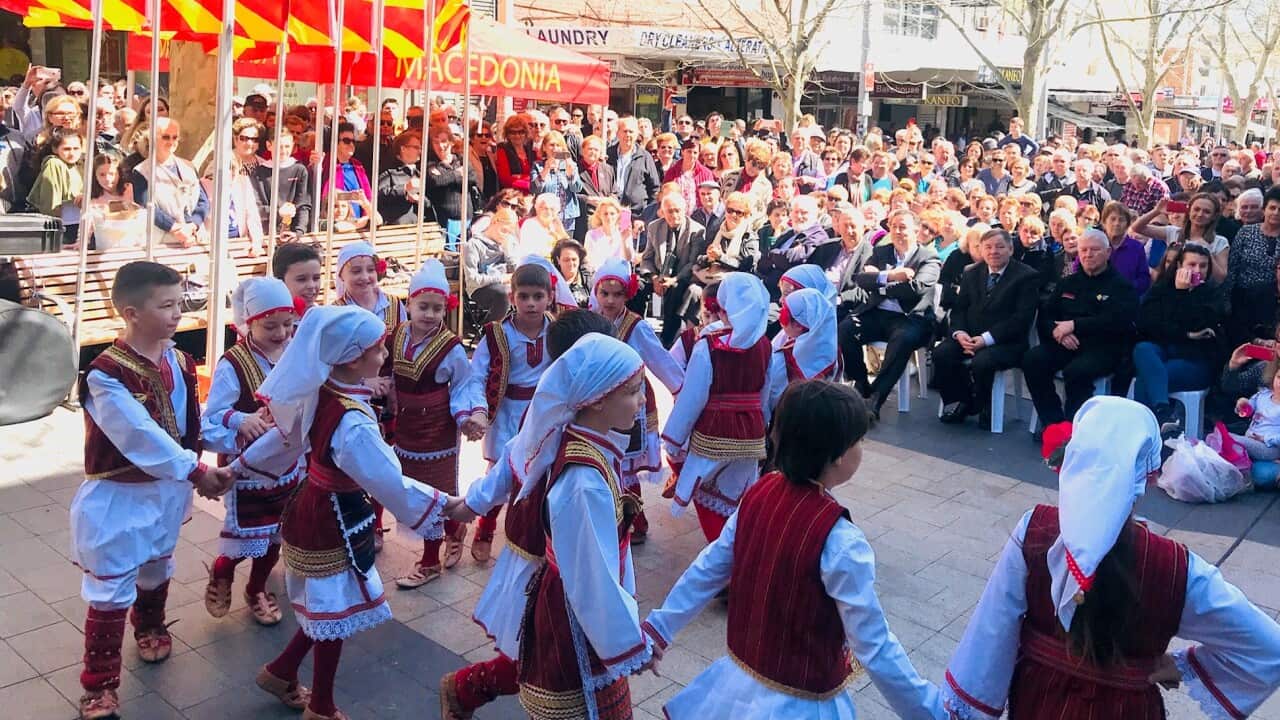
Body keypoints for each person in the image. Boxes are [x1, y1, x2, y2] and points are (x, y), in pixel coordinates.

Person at [943, 396, 1280, 720]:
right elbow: (1270, 648)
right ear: (1148, 477)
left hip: (1039, 701)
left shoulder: (1034, 529)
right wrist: (1178, 665)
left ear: (1071, 462)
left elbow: (989, 638)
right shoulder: (1179, 568)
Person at [645, 380, 945, 720]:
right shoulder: (840, 540)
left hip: (738, 691)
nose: (862, 448)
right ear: (838, 455)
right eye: (859, 440)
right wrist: (932, 712)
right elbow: (874, 644)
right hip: (802, 707)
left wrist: (660, 628)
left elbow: (710, 567)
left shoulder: (759, 493)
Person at [228, 306, 460, 720]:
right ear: (354, 358)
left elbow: (285, 440)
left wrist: (237, 469)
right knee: (333, 607)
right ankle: (321, 705)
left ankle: (282, 671)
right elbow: (388, 479)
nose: (385, 355)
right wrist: (446, 504)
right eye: (377, 350)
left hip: (316, 505)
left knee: (327, 605)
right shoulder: (352, 422)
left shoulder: (324, 391)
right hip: (330, 517)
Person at [71, 261, 233, 720]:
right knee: (110, 585)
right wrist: (196, 471)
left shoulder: (180, 360)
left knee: (157, 562)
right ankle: (99, 684)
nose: (178, 313)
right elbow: (139, 435)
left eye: (179, 302)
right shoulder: (104, 375)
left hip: (167, 493)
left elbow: (186, 428)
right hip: (120, 497)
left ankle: (150, 622)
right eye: (166, 305)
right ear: (131, 312)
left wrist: (235, 433)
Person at [438, 309, 618, 720]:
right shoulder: (551, 412)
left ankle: (466, 690)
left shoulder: (599, 413)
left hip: (571, 558)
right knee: (542, 649)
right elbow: (510, 462)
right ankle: (465, 688)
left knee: (552, 651)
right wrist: (472, 505)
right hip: (541, 557)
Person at [501, 334, 657, 719]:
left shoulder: (589, 447)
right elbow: (592, 578)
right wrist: (627, 644)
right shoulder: (584, 480)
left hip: (581, 609)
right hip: (575, 617)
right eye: (633, 392)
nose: (642, 403)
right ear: (598, 398)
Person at [200, 277, 301, 626]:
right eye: (270, 325)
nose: (281, 333)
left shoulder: (292, 352)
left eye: (288, 324)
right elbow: (210, 416)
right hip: (247, 470)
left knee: (275, 534)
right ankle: (223, 570)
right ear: (248, 323)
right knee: (246, 533)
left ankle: (256, 588)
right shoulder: (234, 363)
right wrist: (241, 420)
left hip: (287, 465)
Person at [662, 272, 780, 543]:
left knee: (701, 486)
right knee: (735, 490)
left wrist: (675, 437)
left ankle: (724, 550)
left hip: (714, 431)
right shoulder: (764, 345)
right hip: (750, 434)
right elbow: (765, 392)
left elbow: (693, 396)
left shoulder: (709, 345)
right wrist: (760, 424)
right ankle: (739, 541)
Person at [389, 261, 481, 589]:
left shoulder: (451, 347)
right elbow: (387, 371)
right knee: (411, 487)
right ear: (409, 304)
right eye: (422, 306)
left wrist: (465, 418)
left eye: (437, 308)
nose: (429, 314)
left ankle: (429, 562)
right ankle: (454, 528)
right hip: (406, 428)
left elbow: (462, 387)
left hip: (438, 431)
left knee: (434, 491)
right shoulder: (398, 334)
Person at [463, 261, 555, 561]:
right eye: (524, 296)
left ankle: (535, 532)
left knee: (542, 472)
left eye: (538, 296)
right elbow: (476, 376)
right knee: (500, 473)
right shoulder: (496, 334)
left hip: (544, 414)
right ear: (512, 296)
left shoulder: (558, 331)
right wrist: (478, 411)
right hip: (506, 414)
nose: (531, 303)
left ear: (550, 297)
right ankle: (486, 528)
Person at [590, 259, 685, 542]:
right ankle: (611, 517)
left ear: (627, 295)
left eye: (617, 294)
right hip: (598, 404)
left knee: (626, 465)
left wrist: (681, 391)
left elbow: (660, 360)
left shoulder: (636, 327)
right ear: (595, 292)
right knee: (603, 460)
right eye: (604, 293)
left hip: (631, 405)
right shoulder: (589, 321)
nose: (609, 300)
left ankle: (635, 521)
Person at [1021, 229, 1139, 432]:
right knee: (1033, 359)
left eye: (1094, 250)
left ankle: (1074, 428)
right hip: (1065, 342)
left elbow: (1116, 321)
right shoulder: (1067, 283)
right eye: (1083, 250)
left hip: (1102, 348)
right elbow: (1046, 316)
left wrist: (1075, 325)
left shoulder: (1121, 286)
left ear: (1108, 252)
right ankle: (1053, 423)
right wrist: (1059, 334)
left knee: (1077, 372)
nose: (1088, 254)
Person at [838, 209, 941, 422]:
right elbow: (863, 279)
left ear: (915, 230)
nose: (897, 232)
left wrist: (881, 284)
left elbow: (916, 288)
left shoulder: (928, 257)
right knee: (846, 328)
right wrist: (892, 276)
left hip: (911, 317)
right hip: (877, 312)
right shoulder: (882, 251)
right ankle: (861, 385)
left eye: (903, 227)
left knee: (903, 338)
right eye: (893, 227)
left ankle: (876, 397)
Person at [934, 229, 1040, 428]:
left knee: (982, 361)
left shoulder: (1027, 276)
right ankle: (966, 401)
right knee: (942, 354)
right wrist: (960, 333)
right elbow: (959, 309)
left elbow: (1021, 319)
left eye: (1000, 247)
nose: (994, 252)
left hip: (1006, 342)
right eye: (988, 247)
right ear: (981, 250)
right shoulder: (971, 272)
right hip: (969, 337)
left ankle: (981, 405)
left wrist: (986, 339)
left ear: (1010, 249)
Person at [1131, 244, 1226, 431]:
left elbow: (1200, 323)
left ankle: (1145, 426)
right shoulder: (1163, 288)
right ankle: (1161, 411)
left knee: (1150, 375)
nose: (1197, 270)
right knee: (1142, 349)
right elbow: (1147, 324)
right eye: (1192, 265)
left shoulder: (1212, 294)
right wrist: (1186, 334)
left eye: (1203, 266)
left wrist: (1183, 295)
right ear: (1179, 265)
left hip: (1195, 361)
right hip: (1162, 351)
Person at [641, 192, 708, 346]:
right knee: (637, 287)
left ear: (684, 210)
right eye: (669, 211)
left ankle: (667, 337)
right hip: (658, 274)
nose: (674, 215)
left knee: (677, 289)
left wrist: (673, 280)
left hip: (681, 276)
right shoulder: (654, 227)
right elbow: (647, 258)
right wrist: (653, 278)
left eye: (677, 210)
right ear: (662, 212)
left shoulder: (696, 230)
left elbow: (692, 263)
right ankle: (636, 330)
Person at [131, 117, 209, 247]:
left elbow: (203, 201)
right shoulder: (141, 172)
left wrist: (193, 225)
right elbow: (148, 207)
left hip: (195, 236)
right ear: (152, 138)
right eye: (166, 137)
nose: (171, 141)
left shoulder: (188, 166)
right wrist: (176, 229)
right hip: (163, 241)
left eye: (175, 137)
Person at [767, 289, 840, 411]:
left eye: (783, 315)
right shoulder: (833, 351)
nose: (780, 319)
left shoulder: (783, 361)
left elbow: (770, 401)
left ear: (798, 325)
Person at [1132, 194, 1230, 283]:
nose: (1200, 214)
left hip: (1202, 294)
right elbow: (1137, 228)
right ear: (1189, 211)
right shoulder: (1174, 232)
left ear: (1214, 216)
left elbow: (1220, 277)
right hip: (1171, 289)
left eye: (1207, 212)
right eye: (1196, 209)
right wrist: (1156, 211)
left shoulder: (1220, 242)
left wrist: (1207, 251)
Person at [757, 194, 831, 299]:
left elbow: (792, 258)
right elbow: (763, 262)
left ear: (815, 215)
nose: (799, 216)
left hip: (790, 294)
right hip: (767, 285)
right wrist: (776, 256)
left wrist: (774, 255)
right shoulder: (789, 233)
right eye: (796, 212)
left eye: (804, 213)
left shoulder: (818, 236)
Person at [26, 125, 83, 246]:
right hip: (62, 226)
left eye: (76, 148)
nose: (72, 153)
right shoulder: (53, 164)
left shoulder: (79, 165)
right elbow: (50, 200)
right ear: (55, 149)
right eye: (67, 149)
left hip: (80, 223)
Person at [465, 205, 517, 323]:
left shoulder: (509, 242)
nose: (505, 235)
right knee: (504, 293)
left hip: (506, 285)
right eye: (503, 230)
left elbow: (516, 271)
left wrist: (508, 252)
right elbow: (472, 279)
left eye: (509, 232)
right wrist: (501, 278)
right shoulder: (474, 245)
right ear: (494, 222)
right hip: (480, 288)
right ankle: (489, 331)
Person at [693, 190, 760, 282]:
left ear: (746, 215)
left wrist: (721, 257)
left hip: (733, 282)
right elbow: (699, 257)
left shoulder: (749, 237)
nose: (733, 215)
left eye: (739, 212)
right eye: (730, 210)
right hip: (711, 276)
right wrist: (708, 257)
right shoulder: (716, 230)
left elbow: (746, 266)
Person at [424, 123, 480, 227]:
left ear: (451, 142)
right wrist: (457, 174)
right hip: (442, 221)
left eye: (444, 141)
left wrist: (447, 177)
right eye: (436, 142)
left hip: (466, 218)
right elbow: (436, 181)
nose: (441, 146)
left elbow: (472, 178)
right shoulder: (429, 164)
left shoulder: (462, 160)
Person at [609, 115, 661, 223]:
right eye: (625, 131)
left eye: (631, 132)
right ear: (618, 133)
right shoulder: (608, 154)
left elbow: (654, 189)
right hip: (610, 214)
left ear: (637, 134)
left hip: (636, 216)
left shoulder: (645, 157)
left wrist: (647, 215)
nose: (628, 135)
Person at [530, 130, 582, 236]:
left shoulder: (570, 164)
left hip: (566, 216)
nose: (555, 148)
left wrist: (570, 174)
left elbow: (577, 189)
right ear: (544, 147)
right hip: (545, 215)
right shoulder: (538, 166)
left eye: (558, 145)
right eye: (551, 145)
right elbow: (534, 189)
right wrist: (546, 169)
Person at [264, 129, 313, 235]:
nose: (283, 150)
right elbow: (257, 206)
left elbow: (303, 204)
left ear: (293, 146)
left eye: (287, 146)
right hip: (266, 231)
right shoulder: (260, 171)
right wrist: (278, 212)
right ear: (269, 145)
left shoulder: (299, 169)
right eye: (279, 146)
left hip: (292, 232)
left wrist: (299, 231)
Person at [1098, 201, 1149, 295]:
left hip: (1127, 298)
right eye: (1112, 219)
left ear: (1127, 224)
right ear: (1104, 223)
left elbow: (1144, 279)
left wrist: (1125, 287)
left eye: (1121, 220)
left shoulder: (1136, 248)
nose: (1117, 223)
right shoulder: (1096, 244)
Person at [376, 130, 425, 226]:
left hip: (418, 226)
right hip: (396, 228)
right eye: (416, 147)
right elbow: (379, 195)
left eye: (420, 148)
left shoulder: (419, 173)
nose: (420, 151)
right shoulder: (389, 170)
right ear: (403, 149)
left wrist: (420, 199)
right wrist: (404, 190)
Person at [1231, 367, 1280, 463]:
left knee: (1230, 438)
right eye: (1279, 377)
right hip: (1250, 439)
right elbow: (1246, 411)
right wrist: (1242, 404)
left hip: (1270, 448)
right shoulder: (1263, 395)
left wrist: (1265, 438)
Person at [574, 134, 615, 242]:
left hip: (605, 219)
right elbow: (568, 194)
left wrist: (608, 200)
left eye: (596, 149)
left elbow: (616, 191)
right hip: (584, 219)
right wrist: (587, 200)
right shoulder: (574, 169)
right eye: (590, 149)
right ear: (582, 151)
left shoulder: (608, 169)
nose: (593, 152)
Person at [582, 196, 636, 269]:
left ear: (618, 215)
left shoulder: (625, 233)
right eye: (605, 214)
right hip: (599, 275)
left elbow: (628, 259)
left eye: (612, 213)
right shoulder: (591, 235)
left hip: (620, 275)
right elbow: (588, 260)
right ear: (600, 215)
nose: (609, 217)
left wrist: (624, 240)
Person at [516, 192, 571, 259]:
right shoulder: (530, 225)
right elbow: (529, 253)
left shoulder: (556, 223)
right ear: (537, 209)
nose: (549, 212)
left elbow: (568, 246)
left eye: (552, 209)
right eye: (545, 208)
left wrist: (560, 232)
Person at [272, 242, 323, 311]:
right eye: (302, 279)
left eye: (316, 278)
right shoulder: (271, 319)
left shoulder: (323, 317)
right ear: (280, 281)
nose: (311, 285)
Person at [552, 238, 591, 308]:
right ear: (558, 260)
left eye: (574, 259)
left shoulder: (589, 280)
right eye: (566, 260)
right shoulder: (552, 281)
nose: (571, 263)